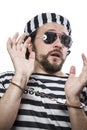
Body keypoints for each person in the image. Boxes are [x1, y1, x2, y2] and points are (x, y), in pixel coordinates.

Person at [0, 12, 87, 130]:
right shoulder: (7, 80)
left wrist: (74, 100)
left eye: (65, 40)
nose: (59, 44)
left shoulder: (80, 87)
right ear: (30, 44)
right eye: (49, 37)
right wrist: (20, 77)